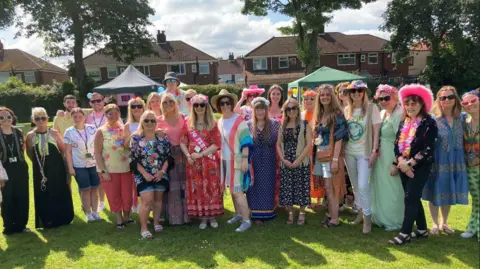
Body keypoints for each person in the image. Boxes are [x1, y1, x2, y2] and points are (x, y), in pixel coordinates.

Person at [389, 84, 437, 245]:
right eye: (407, 103)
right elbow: (397, 144)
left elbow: (428, 148)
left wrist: (410, 163)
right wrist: (400, 162)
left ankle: (405, 233)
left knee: (410, 198)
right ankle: (422, 230)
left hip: (421, 166)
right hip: (404, 165)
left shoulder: (429, 123)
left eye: (414, 102)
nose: (410, 106)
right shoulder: (404, 121)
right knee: (413, 197)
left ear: (422, 103)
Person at [423, 86, 469, 235]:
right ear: (439, 101)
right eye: (443, 98)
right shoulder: (433, 120)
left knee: (449, 189)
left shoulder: (462, 118)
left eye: (450, 97)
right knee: (435, 191)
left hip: (456, 161)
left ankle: (444, 222)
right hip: (438, 161)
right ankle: (435, 224)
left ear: (455, 99)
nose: (446, 100)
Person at [213, 89, 254, 232]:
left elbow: (246, 141)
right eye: (222, 103)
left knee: (237, 191)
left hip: (236, 160)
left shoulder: (239, 120)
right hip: (224, 160)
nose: (225, 105)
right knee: (231, 190)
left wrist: (244, 159)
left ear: (231, 104)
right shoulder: (220, 121)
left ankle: (246, 220)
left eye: (227, 102)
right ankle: (238, 214)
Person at [180, 94, 223, 229]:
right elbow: (182, 142)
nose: (199, 108)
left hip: (209, 162)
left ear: (206, 107)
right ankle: (203, 217)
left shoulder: (212, 123)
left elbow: (217, 144)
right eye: (196, 105)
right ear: (192, 107)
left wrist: (201, 154)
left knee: (211, 188)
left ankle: (212, 216)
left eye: (202, 105)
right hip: (194, 163)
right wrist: (188, 155)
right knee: (198, 188)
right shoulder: (187, 122)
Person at [26, 107, 74, 229]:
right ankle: (47, 220)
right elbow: (30, 153)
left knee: (58, 189)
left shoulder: (54, 133)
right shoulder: (30, 135)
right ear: (33, 120)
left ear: (47, 118)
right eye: (37, 118)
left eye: (43, 118)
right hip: (40, 168)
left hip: (56, 167)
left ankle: (62, 218)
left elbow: (63, 150)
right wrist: (40, 164)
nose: (41, 121)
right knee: (43, 192)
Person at [344, 80, 381, 234]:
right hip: (349, 152)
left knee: (363, 185)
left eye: (360, 91)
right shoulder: (347, 110)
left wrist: (374, 151)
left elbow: (376, 132)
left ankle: (367, 217)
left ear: (365, 92)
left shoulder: (372, 109)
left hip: (364, 153)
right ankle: (360, 212)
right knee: (355, 186)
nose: (356, 94)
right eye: (353, 91)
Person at [130, 110, 172, 239]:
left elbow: (168, 157)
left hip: (160, 174)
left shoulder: (162, 138)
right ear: (142, 122)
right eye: (146, 120)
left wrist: (162, 171)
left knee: (158, 200)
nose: (149, 123)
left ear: (156, 123)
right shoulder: (136, 139)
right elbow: (133, 159)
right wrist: (144, 173)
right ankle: (144, 228)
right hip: (143, 175)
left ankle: (156, 222)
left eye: (152, 120)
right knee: (147, 200)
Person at [311, 85, 348, 228]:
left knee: (331, 186)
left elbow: (339, 138)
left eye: (327, 95)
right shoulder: (320, 115)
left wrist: (334, 160)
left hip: (331, 154)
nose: (324, 97)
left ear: (332, 97)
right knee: (327, 187)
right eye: (322, 95)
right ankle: (332, 215)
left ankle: (335, 219)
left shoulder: (337, 114)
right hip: (321, 154)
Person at [370, 85, 405, 231]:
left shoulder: (400, 113)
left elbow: (402, 140)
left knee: (393, 188)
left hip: (392, 155)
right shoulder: (383, 113)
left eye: (386, 98)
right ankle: (380, 217)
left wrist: (396, 162)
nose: (383, 101)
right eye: (380, 99)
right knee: (381, 187)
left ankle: (394, 220)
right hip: (381, 156)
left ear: (395, 97)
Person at [94, 104, 133, 229]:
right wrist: (103, 171)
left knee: (127, 195)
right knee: (113, 195)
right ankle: (119, 219)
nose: (113, 116)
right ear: (105, 115)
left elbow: (129, 146)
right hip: (110, 170)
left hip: (126, 168)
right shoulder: (101, 131)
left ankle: (127, 216)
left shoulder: (124, 128)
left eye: (116, 113)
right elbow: (97, 153)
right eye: (110, 114)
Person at [277, 98, 312, 225]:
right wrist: (283, 159)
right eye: (288, 109)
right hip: (286, 161)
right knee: (288, 189)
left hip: (301, 161)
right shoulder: (282, 126)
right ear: (285, 111)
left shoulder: (305, 124)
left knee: (301, 187)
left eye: (293, 108)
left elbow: (308, 144)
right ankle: (291, 213)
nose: (291, 111)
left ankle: (302, 213)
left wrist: (298, 160)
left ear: (298, 109)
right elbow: (278, 145)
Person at [246, 97, 280, 224]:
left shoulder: (274, 124)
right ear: (253, 111)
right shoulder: (248, 125)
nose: (260, 112)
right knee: (253, 187)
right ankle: (255, 214)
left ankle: (268, 211)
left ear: (266, 111)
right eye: (257, 110)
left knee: (267, 186)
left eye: (262, 109)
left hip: (269, 161)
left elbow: (279, 143)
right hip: (253, 162)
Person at [156, 93, 189, 225]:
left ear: (176, 103)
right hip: (167, 157)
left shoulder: (184, 117)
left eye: (171, 101)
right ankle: (173, 217)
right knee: (171, 187)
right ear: (161, 105)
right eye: (165, 102)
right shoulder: (157, 120)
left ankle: (187, 216)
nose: (168, 104)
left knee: (185, 185)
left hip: (183, 154)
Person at [63, 108, 101, 222]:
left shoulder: (92, 129)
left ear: (84, 117)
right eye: (75, 117)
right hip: (79, 165)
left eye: (80, 116)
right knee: (85, 189)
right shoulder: (69, 132)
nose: (78, 119)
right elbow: (68, 152)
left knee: (95, 188)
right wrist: (70, 167)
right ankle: (88, 213)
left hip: (94, 164)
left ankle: (95, 211)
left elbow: (99, 146)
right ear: (72, 118)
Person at [0, 107, 30, 234]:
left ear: (13, 117)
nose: (6, 119)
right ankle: (9, 226)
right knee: (7, 198)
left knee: (22, 196)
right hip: (4, 169)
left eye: (8, 116)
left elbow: (22, 149)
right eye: (2, 117)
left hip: (20, 167)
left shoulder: (18, 132)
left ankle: (21, 225)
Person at [460, 90, 480, 240]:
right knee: (477, 199)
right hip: (471, 167)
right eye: (465, 103)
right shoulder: (464, 122)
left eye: (473, 101)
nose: (469, 105)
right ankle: (472, 227)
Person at [301, 90, 323, 209]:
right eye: (306, 99)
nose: (308, 101)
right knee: (306, 175)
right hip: (304, 150)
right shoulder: (300, 115)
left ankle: (320, 199)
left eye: (311, 99)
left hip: (317, 149)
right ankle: (307, 198)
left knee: (318, 173)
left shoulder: (320, 115)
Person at [335, 82, 355, 210]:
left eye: (345, 91)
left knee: (352, 175)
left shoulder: (353, 108)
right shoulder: (336, 109)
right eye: (340, 91)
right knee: (341, 174)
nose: (343, 93)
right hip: (339, 147)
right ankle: (340, 200)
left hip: (353, 146)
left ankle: (353, 201)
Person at [124, 97, 146, 213]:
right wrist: (132, 135)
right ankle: (139, 208)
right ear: (130, 109)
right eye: (133, 106)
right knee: (138, 185)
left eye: (139, 106)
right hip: (136, 159)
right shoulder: (128, 125)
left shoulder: (149, 120)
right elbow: (125, 145)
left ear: (143, 108)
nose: (136, 109)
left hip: (150, 158)